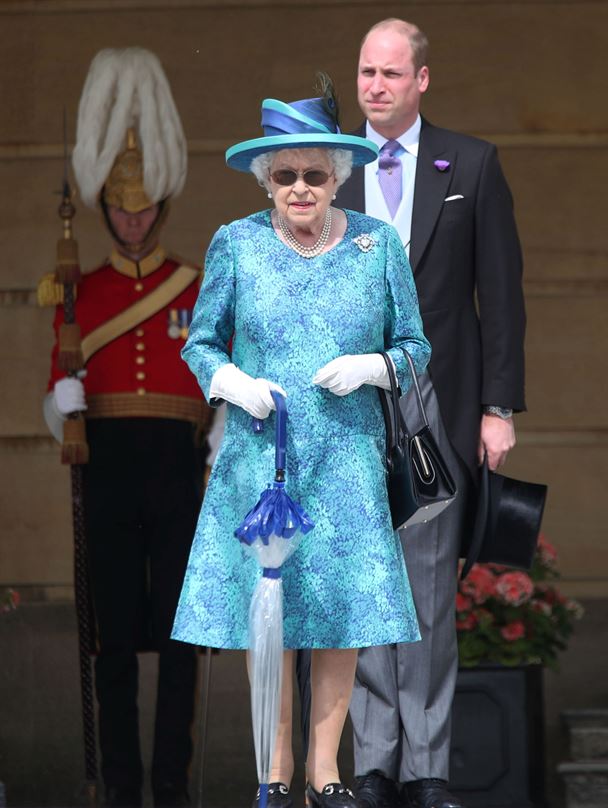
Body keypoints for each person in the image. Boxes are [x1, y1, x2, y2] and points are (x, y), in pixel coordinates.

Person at [170, 77, 431, 808]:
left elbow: (416, 347)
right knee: (273, 618)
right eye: (284, 175)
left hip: (347, 458)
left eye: (315, 174)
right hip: (263, 459)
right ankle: (275, 770)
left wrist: (375, 366)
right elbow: (200, 344)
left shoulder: (378, 246)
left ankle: (326, 769)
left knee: (339, 619)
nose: (300, 187)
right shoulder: (236, 243)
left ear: (338, 177)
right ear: (266, 181)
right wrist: (229, 382)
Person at [333, 18, 527, 808]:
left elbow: (502, 298)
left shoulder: (472, 164)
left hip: (436, 412)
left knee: (424, 596)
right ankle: (375, 760)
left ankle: (428, 768)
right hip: (351, 409)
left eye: (389, 73)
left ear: (421, 80)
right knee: (365, 587)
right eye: (365, 72)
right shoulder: (330, 166)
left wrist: (498, 407)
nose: (374, 86)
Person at [41, 48, 211, 808]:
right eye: (121, 208)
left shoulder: (195, 284)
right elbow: (59, 378)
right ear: (105, 208)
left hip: (178, 464)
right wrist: (64, 400)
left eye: (143, 209)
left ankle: (170, 784)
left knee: (181, 638)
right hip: (106, 462)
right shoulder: (79, 289)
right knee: (111, 639)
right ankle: (120, 786)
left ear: (160, 209)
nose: (133, 219)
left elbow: (218, 375)